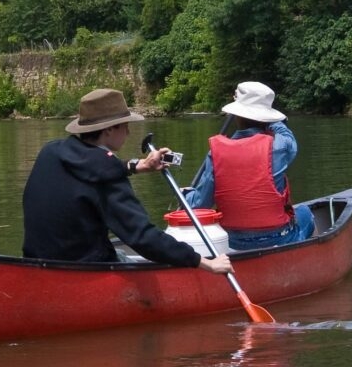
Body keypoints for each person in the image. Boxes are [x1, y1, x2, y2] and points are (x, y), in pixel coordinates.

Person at [22, 87, 232, 275]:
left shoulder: (50, 152)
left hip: (37, 263)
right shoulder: (107, 179)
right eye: (124, 126)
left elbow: (94, 166)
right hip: (84, 268)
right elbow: (143, 237)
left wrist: (136, 166)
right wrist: (206, 263)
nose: (129, 132)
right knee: (141, 258)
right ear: (108, 130)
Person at [184, 81, 315, 250]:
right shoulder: (281, 146)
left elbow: (201, 204)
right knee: (305, 213)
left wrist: (186, 194)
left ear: (237, 116)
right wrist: (272, 120)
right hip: (278, 238)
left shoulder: (215, 154)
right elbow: (286, 134)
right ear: (267, 117)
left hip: (232, 241)